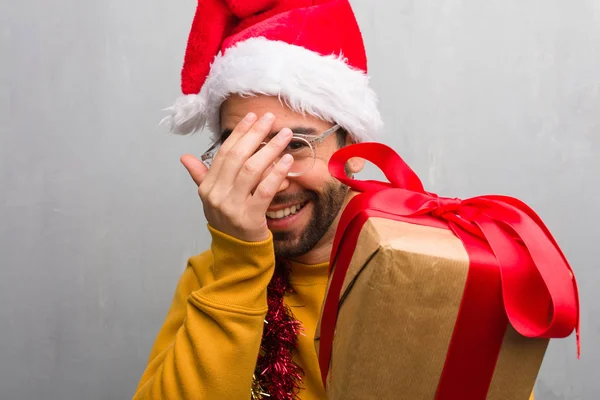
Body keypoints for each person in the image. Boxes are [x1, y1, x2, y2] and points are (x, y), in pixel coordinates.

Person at [134, 1, 535, 399]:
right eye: (244, 149)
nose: (269, 179)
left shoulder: (439, 268)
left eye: (296, 144)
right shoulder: (216, 273)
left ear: (354, 150)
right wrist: (239, 266)